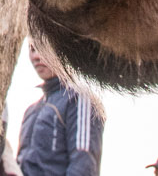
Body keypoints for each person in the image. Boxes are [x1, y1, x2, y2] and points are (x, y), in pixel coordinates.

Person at [16, 40, 103, 176]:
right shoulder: (31, 111)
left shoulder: (79, 99)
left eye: (44, 47)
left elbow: (83, 164)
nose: (37, 56)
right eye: (32, 49)